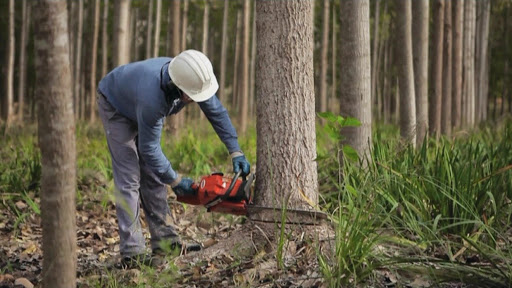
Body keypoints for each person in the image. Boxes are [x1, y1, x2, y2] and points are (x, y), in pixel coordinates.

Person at [96, 49, 251, 268]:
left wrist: (235, 150)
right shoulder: (154, 97)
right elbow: (149, 149)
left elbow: (217, 112)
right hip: (116, 105)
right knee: (130, 175)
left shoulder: (193, 79)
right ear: (177, 87)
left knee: (153, 175)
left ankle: (166, 243)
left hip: (137, 100)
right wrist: (175, 180)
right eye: (191, 98)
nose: (194, 101)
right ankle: (132, 252)